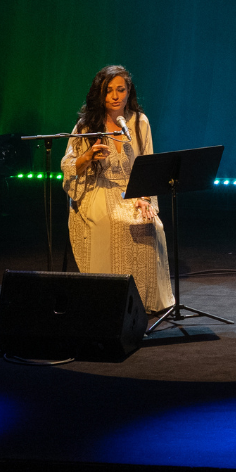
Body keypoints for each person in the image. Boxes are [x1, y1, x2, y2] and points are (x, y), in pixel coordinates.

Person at [60, 65, 174, 312]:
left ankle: (142, 302)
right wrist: (88, 156)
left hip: (132, 191)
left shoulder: (139, 122)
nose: (115, 96)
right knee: (112, 221)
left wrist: (144, 196)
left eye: (120, 90)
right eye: (108, 90)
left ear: (128, 91)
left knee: (150, 224)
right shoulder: (87, 125)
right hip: (98, 188)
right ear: (99, 94)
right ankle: (108, 303)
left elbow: (149, 164)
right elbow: (68, 164)